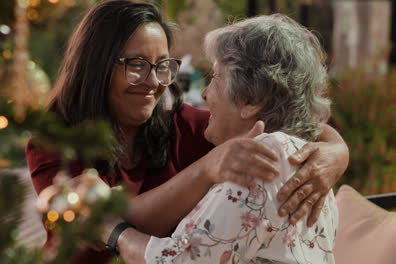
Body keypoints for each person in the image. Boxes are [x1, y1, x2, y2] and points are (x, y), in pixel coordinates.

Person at [25, 1, 348, 263]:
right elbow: (102, 222)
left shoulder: (189, 126)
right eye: (137, 64)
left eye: (163, 65)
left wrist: (336, 153)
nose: (154, 81)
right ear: (97, 67)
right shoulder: (55, 143)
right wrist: (207, 169)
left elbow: (281, 114)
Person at [107, 13, 338, 264]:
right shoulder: (303, 156)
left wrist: (114, 232)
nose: (205, 93)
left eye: (215, 77)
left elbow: (178, 261)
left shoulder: (260, 159)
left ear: (250, 100)